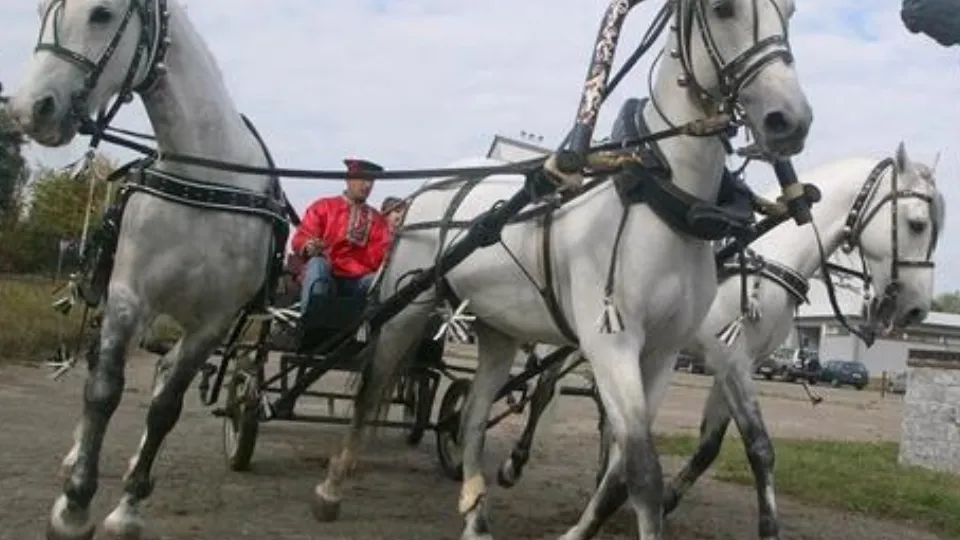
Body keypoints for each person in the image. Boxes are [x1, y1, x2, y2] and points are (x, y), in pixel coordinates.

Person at [290, 158, 391, 318]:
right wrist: (310, 246)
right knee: (317, 264)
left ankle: (364, 330)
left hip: (359, 281)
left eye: (371, 181)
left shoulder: (378, 220)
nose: (368, 185)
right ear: (348, 179)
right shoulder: (323, 206)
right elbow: (302, 237)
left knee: (377, 281)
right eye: (363, 179)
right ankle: (311, 324)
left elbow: (384, 253)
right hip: (326, 274)